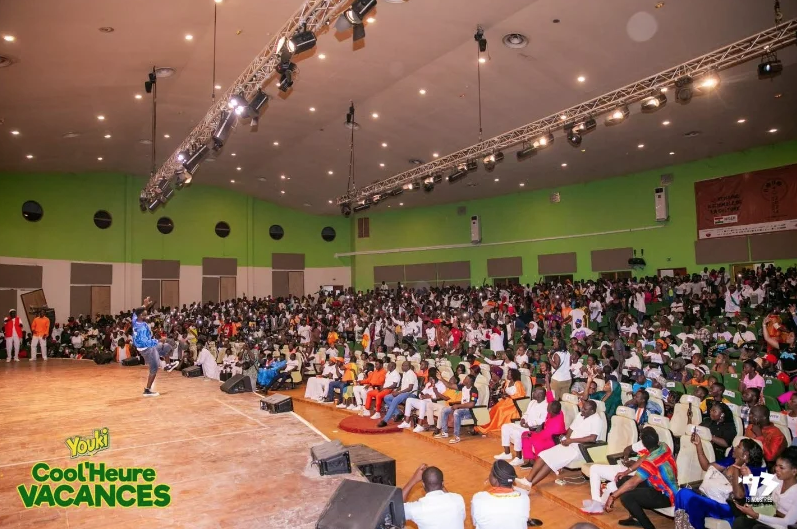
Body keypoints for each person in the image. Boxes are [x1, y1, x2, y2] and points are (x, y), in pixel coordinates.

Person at [675, 437, 765, 529]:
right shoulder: (730, 461)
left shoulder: (750, 472)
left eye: (738, 447)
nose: (734, 448)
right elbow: (706, 466)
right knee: (682, 493)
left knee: (692, 500)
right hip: (711, 498)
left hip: (727, 506)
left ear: (745, 455)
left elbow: (739, 495)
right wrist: (699, 445)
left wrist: (737, 466)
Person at [603, 427, 677, 529]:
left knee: (626, 497)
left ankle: (649, 527)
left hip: (667, 495)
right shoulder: (663, 446)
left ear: (643, 443)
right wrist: (626, 472)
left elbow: (633, 483)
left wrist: (612, 496)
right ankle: (634, 517)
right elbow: (644, 457)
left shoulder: (651, 462)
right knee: (622, 480)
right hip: (655, 485)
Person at [519, 399, 602, 487]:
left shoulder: (597, 420)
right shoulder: (580, 415)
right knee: (542, 455)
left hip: (579, 449)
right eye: (583, 408)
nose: (582, 410)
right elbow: (571, 429)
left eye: (585, 409)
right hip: (569, 444)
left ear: (592, 411)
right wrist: (565, 438)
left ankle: (529, 484)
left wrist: (571, 440)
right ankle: (528, 480)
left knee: (550, 462)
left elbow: (592, 438)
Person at [732, 446, 797, 529]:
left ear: (794, 471)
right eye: (776, 465)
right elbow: (758, 496)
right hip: (771, 517)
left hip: (785, 526)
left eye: (781, 467)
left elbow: (788, 522)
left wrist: (757, 515)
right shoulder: (776, 478)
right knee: (740, 521)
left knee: (758, 528)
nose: (776, 469)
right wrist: (749, 477)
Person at [494, 378, 553, 466]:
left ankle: (519, 458)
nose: (533, 393)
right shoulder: (532, 402)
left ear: (540, 395)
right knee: (505, 426)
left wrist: (528, 424)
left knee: (517, 432)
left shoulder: (546, 405)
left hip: (533, 428)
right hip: (525, 425)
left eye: (535, 392)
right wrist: (523, 419)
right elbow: (526, 413)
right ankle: (507, 453)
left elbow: (542, 420)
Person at [401, 464, 466, 529]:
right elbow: (449, 497)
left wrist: (414, 479)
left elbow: (397, 508)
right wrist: (438, 482)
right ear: (442, 483)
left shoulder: (417, 508)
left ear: (423, 485)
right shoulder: (458, 499)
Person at [470, 461, 530, 529]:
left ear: (495, 480)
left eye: (491, 473)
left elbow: (475, 522)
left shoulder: (478, 499)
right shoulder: (524, 498)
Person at [475, 368, 526, 434]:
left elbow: (521, 395)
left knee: (500, 410)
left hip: (514, 404)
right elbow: (504, 391)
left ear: (514, 375)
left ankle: (496, 426)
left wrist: (509, 396)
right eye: (508, 373)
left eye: (509, 374)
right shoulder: (507, 382)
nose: (507, 375)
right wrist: (504, 394)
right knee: (495, 408)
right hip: (506, 401)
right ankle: (489, 425)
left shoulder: (518, 383)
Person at [132, 297, 165, 396]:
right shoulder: (142, 328)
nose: (147, 314)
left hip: (144, 347)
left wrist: (145, 305)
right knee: (154, 368)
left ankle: (167, 365)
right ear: (141, 316)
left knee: (166, 347)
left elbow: (136, 313)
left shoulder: (135, 320)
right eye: (145, 313)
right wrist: (159, 340)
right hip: (146, 349)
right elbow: (146, 343)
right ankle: (147, 390)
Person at [520, 399, 567, 467]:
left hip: (553, 441)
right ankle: (531, 461)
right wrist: (541, 425)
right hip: (546, 435)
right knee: (524, 434)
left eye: (548, 406)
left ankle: (539, 463)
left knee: (535, 441)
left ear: (550, 411)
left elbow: (542, 436)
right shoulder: (558, 412)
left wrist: (531, 435)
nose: (546, 406)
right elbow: (550, 398)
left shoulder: (555, 425)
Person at [435, 374, 479, 444]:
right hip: (462, 408)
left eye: (466, 378)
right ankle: (444, 432)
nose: (464, 379)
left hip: (470, 411)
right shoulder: (463, 387)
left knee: (457, 412)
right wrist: (441, 378)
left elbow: (471, 404)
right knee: (444, 410)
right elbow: (450, 385)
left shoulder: (474, 390)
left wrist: (458, 406)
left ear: (470, 382)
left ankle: (456, 436)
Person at [378, 361, 419, 427]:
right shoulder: (405, 373)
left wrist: (398, 392)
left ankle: (385, 420)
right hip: (403, 392)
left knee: (395, 399)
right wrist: (396, 390)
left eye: (405, 365)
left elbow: (410, 388)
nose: (403, 367)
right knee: (386, 398)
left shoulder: (411, 374)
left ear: (409, 366)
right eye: (402, 365)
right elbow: (403, 385)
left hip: (411, 393)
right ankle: (398, 413)